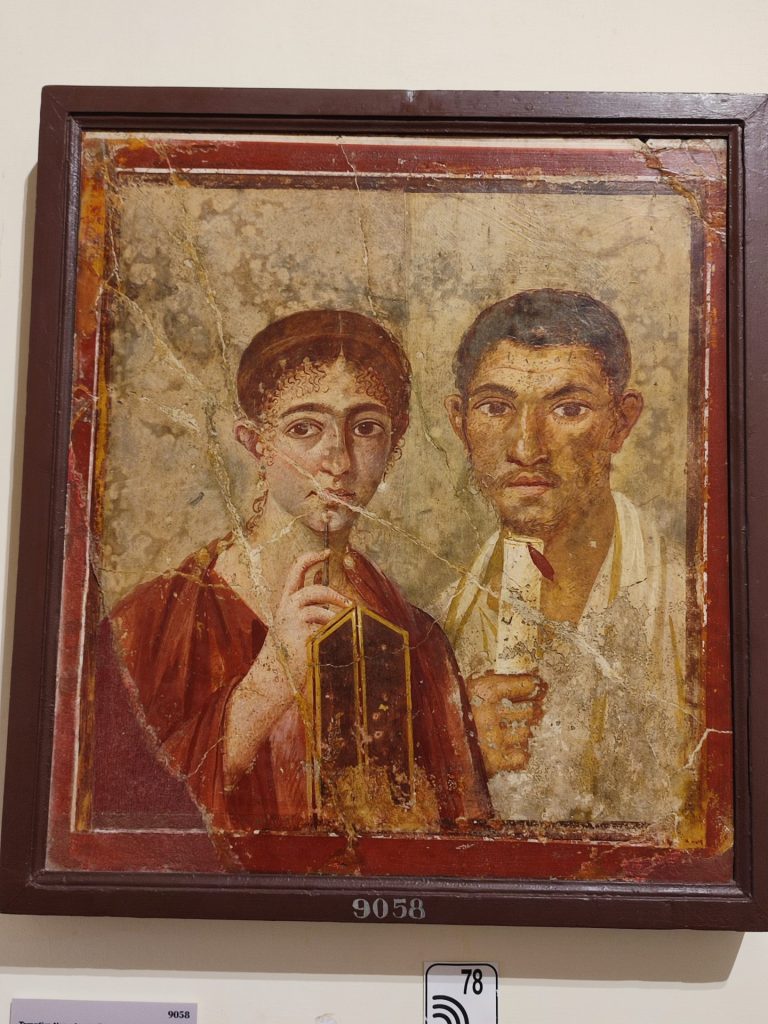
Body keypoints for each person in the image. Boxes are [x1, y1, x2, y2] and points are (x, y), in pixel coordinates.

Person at [95, 309, 490, 859]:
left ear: (395, 441)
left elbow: (462, 838)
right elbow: (115, 822)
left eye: (365, 427)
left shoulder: (418, 639)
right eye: (304, 428)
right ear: (255, 443)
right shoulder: (151, 624)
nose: (338, 460)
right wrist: (265, 687)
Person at [441, 289, 694, 832]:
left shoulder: (694, 609)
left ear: (621, 422)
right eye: (496, 407)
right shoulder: (436, 628)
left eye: (568, 409)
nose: (526, 448)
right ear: (459, 422)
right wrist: (449, 749)